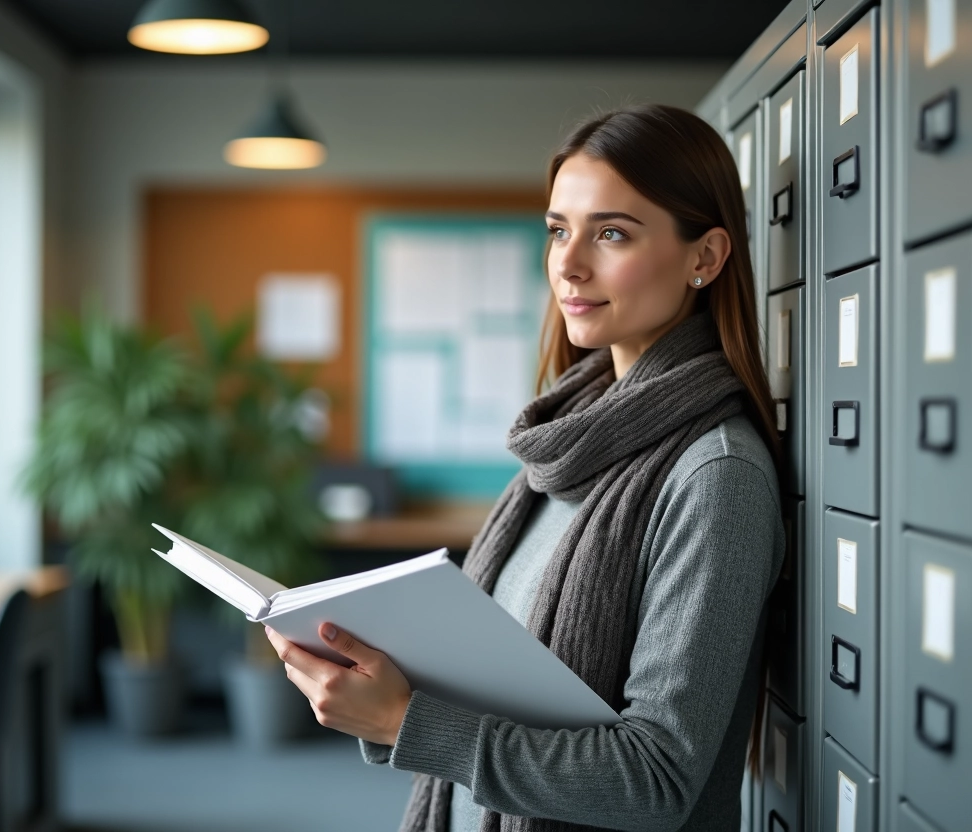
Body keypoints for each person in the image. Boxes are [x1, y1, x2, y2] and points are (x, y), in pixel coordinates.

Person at [265, 103, 785, 832]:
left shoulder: (715, 476)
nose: (568, 264)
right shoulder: (562, 444)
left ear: (705, 257)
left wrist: (411, 722)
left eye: (611, 233)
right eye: (557, 230)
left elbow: (657, 779)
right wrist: (381, 699)